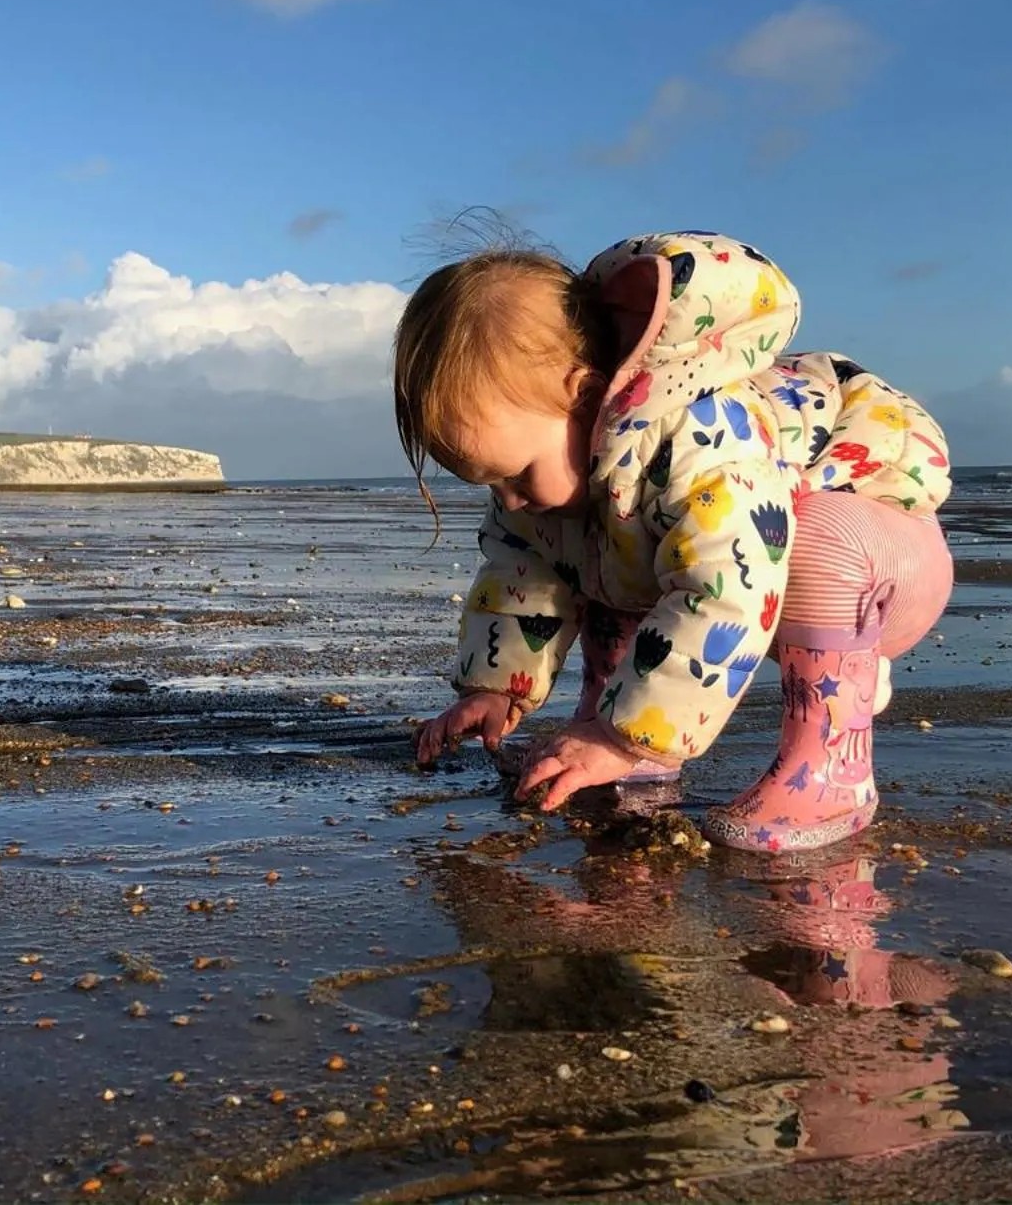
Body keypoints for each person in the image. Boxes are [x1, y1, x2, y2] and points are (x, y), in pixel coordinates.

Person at [394, 230, 954, 853]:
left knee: (804, 539)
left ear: (582, 397)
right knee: (599, 545)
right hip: (769, 572)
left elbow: (729, 588)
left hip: (875, 568)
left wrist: (623, 736)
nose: (510, 499)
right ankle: (621, 732)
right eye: (492, 483)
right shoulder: (561, 480)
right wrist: (493, 689)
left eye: (518, 473)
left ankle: (829, 766)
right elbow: (524, 575)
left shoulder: (706, 439)